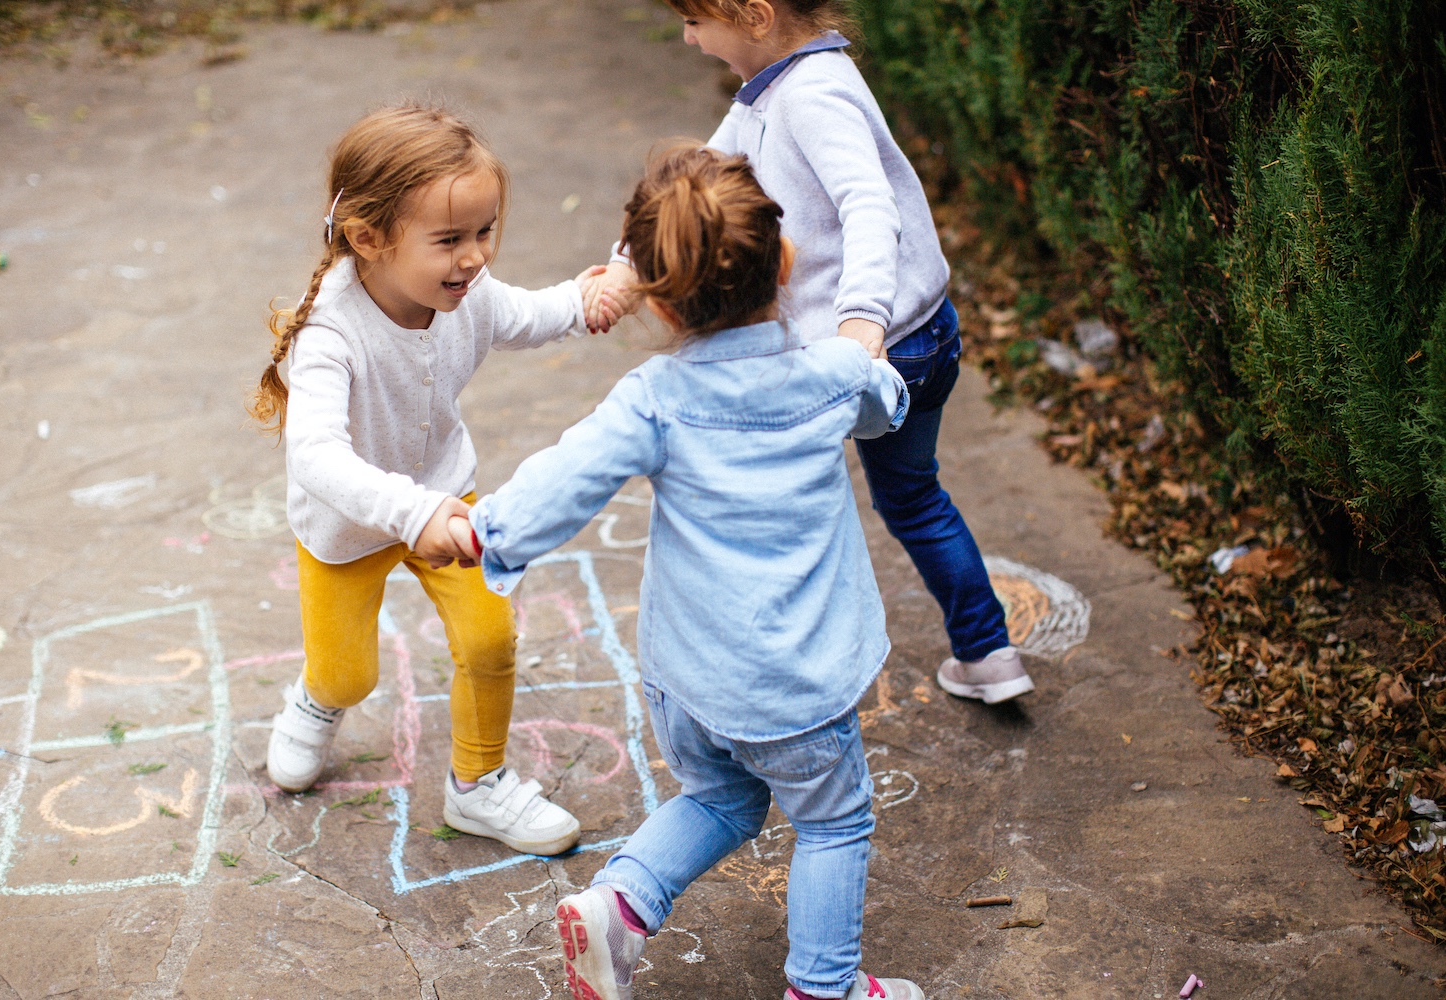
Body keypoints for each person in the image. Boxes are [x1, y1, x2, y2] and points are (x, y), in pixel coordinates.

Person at [438, 145, 923, 1000]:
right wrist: (863, 351)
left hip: (689, 679)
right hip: (796, 686)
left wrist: (487, 529)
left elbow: (569, 474)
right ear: (785, 260)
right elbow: (885, 405)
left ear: (658, 301)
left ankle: (621, 905)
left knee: (724, 799)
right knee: (835, 821)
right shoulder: (830, 377)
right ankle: (824, 988)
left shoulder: (657, 395)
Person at [585, 0, 1032, 704]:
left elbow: (868, 204)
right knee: (914, 498)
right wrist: (623, 263)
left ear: (755, 16)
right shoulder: (775, 87)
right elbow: (696, 182)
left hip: (878, 349)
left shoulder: (815, 95)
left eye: (697, 21)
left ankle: (790, 672)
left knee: (788, 502)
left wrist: (861, 321)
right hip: (921, 331)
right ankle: (989, 655)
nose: (686, 36)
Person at [246, 102, 607, 856]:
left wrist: (587, 299)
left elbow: (533, 313)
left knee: (489, 638)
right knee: (349, 676)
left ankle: (479, 786)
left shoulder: (467, 295)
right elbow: (316, 455)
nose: (474, 258)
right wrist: (413, 515)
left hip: (447, 494)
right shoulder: (330, 334)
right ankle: (316, 701)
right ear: (368, 238)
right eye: (449, 240)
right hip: (349, 526)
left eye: (484, 232)